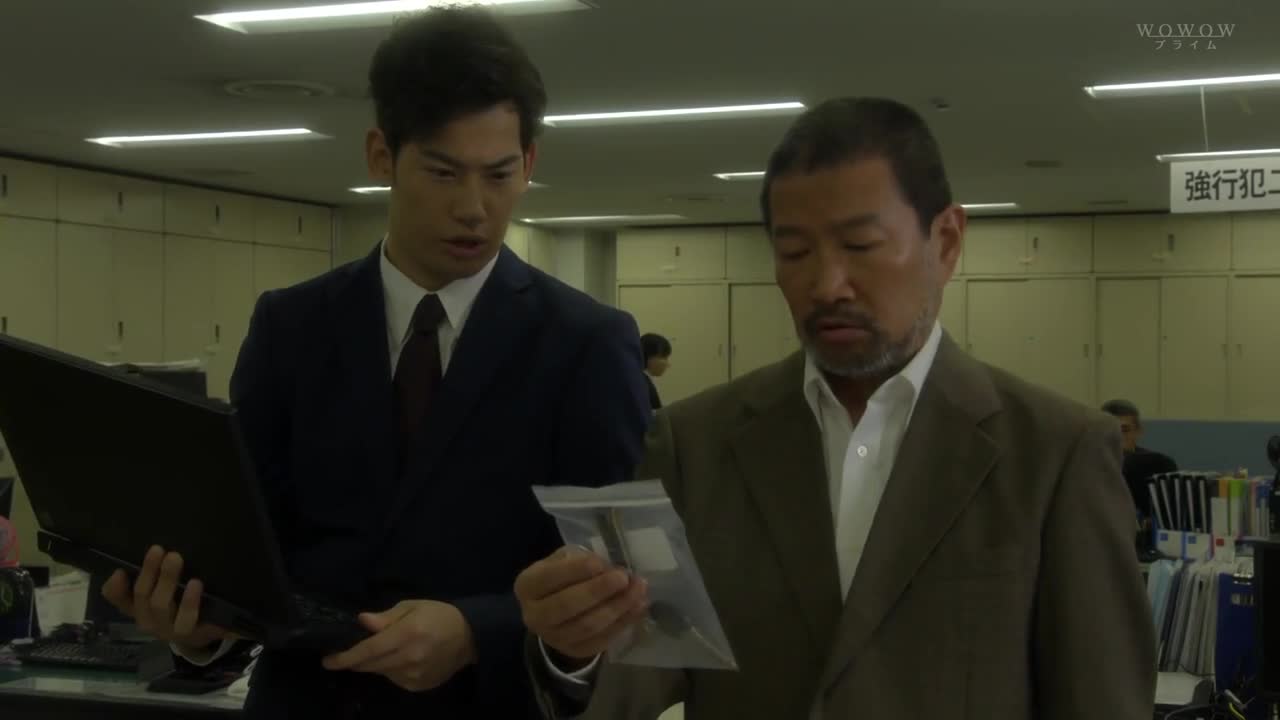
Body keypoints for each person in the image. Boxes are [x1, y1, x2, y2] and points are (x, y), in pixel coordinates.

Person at [515, 97, 1156, 719]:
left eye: (861, 245)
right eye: (795, 253)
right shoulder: (695, 442)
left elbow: (1100, 698)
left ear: (945, 241)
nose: (826, 285)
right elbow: (638, 669)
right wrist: (574, 647)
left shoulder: (1056, 453)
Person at [100, 8, 651, 718]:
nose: (474, 208)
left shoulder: (585, 343)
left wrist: (474, 631)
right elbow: (251, 545)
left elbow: (611, 583)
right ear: (381, 155)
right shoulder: (290, 326)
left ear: (530, 164)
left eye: (499, 175)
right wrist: (198, 627)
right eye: (443, 173)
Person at [1101, 399, 1178, 521]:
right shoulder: (1088, 468)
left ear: (1138, 430)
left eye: (1124, 430)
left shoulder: (1159, 465)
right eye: (1110, 431)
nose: (1117, 438)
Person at [640, 333, 672, 410]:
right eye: (664, 357)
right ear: (649, 356)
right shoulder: (642, 383)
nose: (668, 364)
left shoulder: (643, 380)